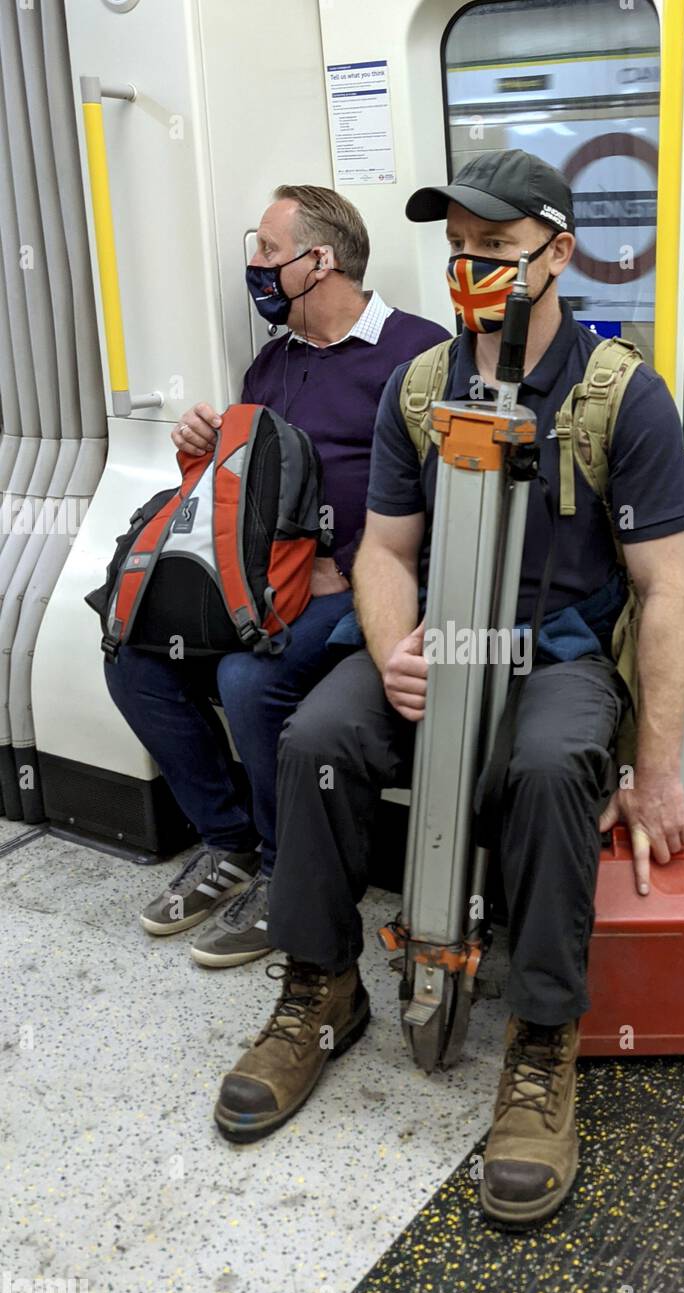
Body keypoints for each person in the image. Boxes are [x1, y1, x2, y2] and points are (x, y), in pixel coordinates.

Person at [216, 151, 684, 1228]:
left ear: (557, 252)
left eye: (495, 248)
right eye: (457, 251)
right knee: (315, 738)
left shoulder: (623, 397)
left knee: (546, 764)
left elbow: (664, 587)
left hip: (557, 655)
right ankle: (318, 988)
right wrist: (392, 648)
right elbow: (387, 552)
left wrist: (656, 765)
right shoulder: (420, 387)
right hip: (444, 639)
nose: (471, 270)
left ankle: (538, 1044)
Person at [104, 185, 448, 968]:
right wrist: (205, 446)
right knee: (131, 658)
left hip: (375, 584)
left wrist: (352, 567)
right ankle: (227, 842)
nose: (254, 266)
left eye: (266, 249)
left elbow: (446, 501)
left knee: (250, 680)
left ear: (318, 261)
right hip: (273, 582)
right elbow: (251, 485)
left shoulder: (420, 356)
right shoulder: (274, 362)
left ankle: (283, 866)